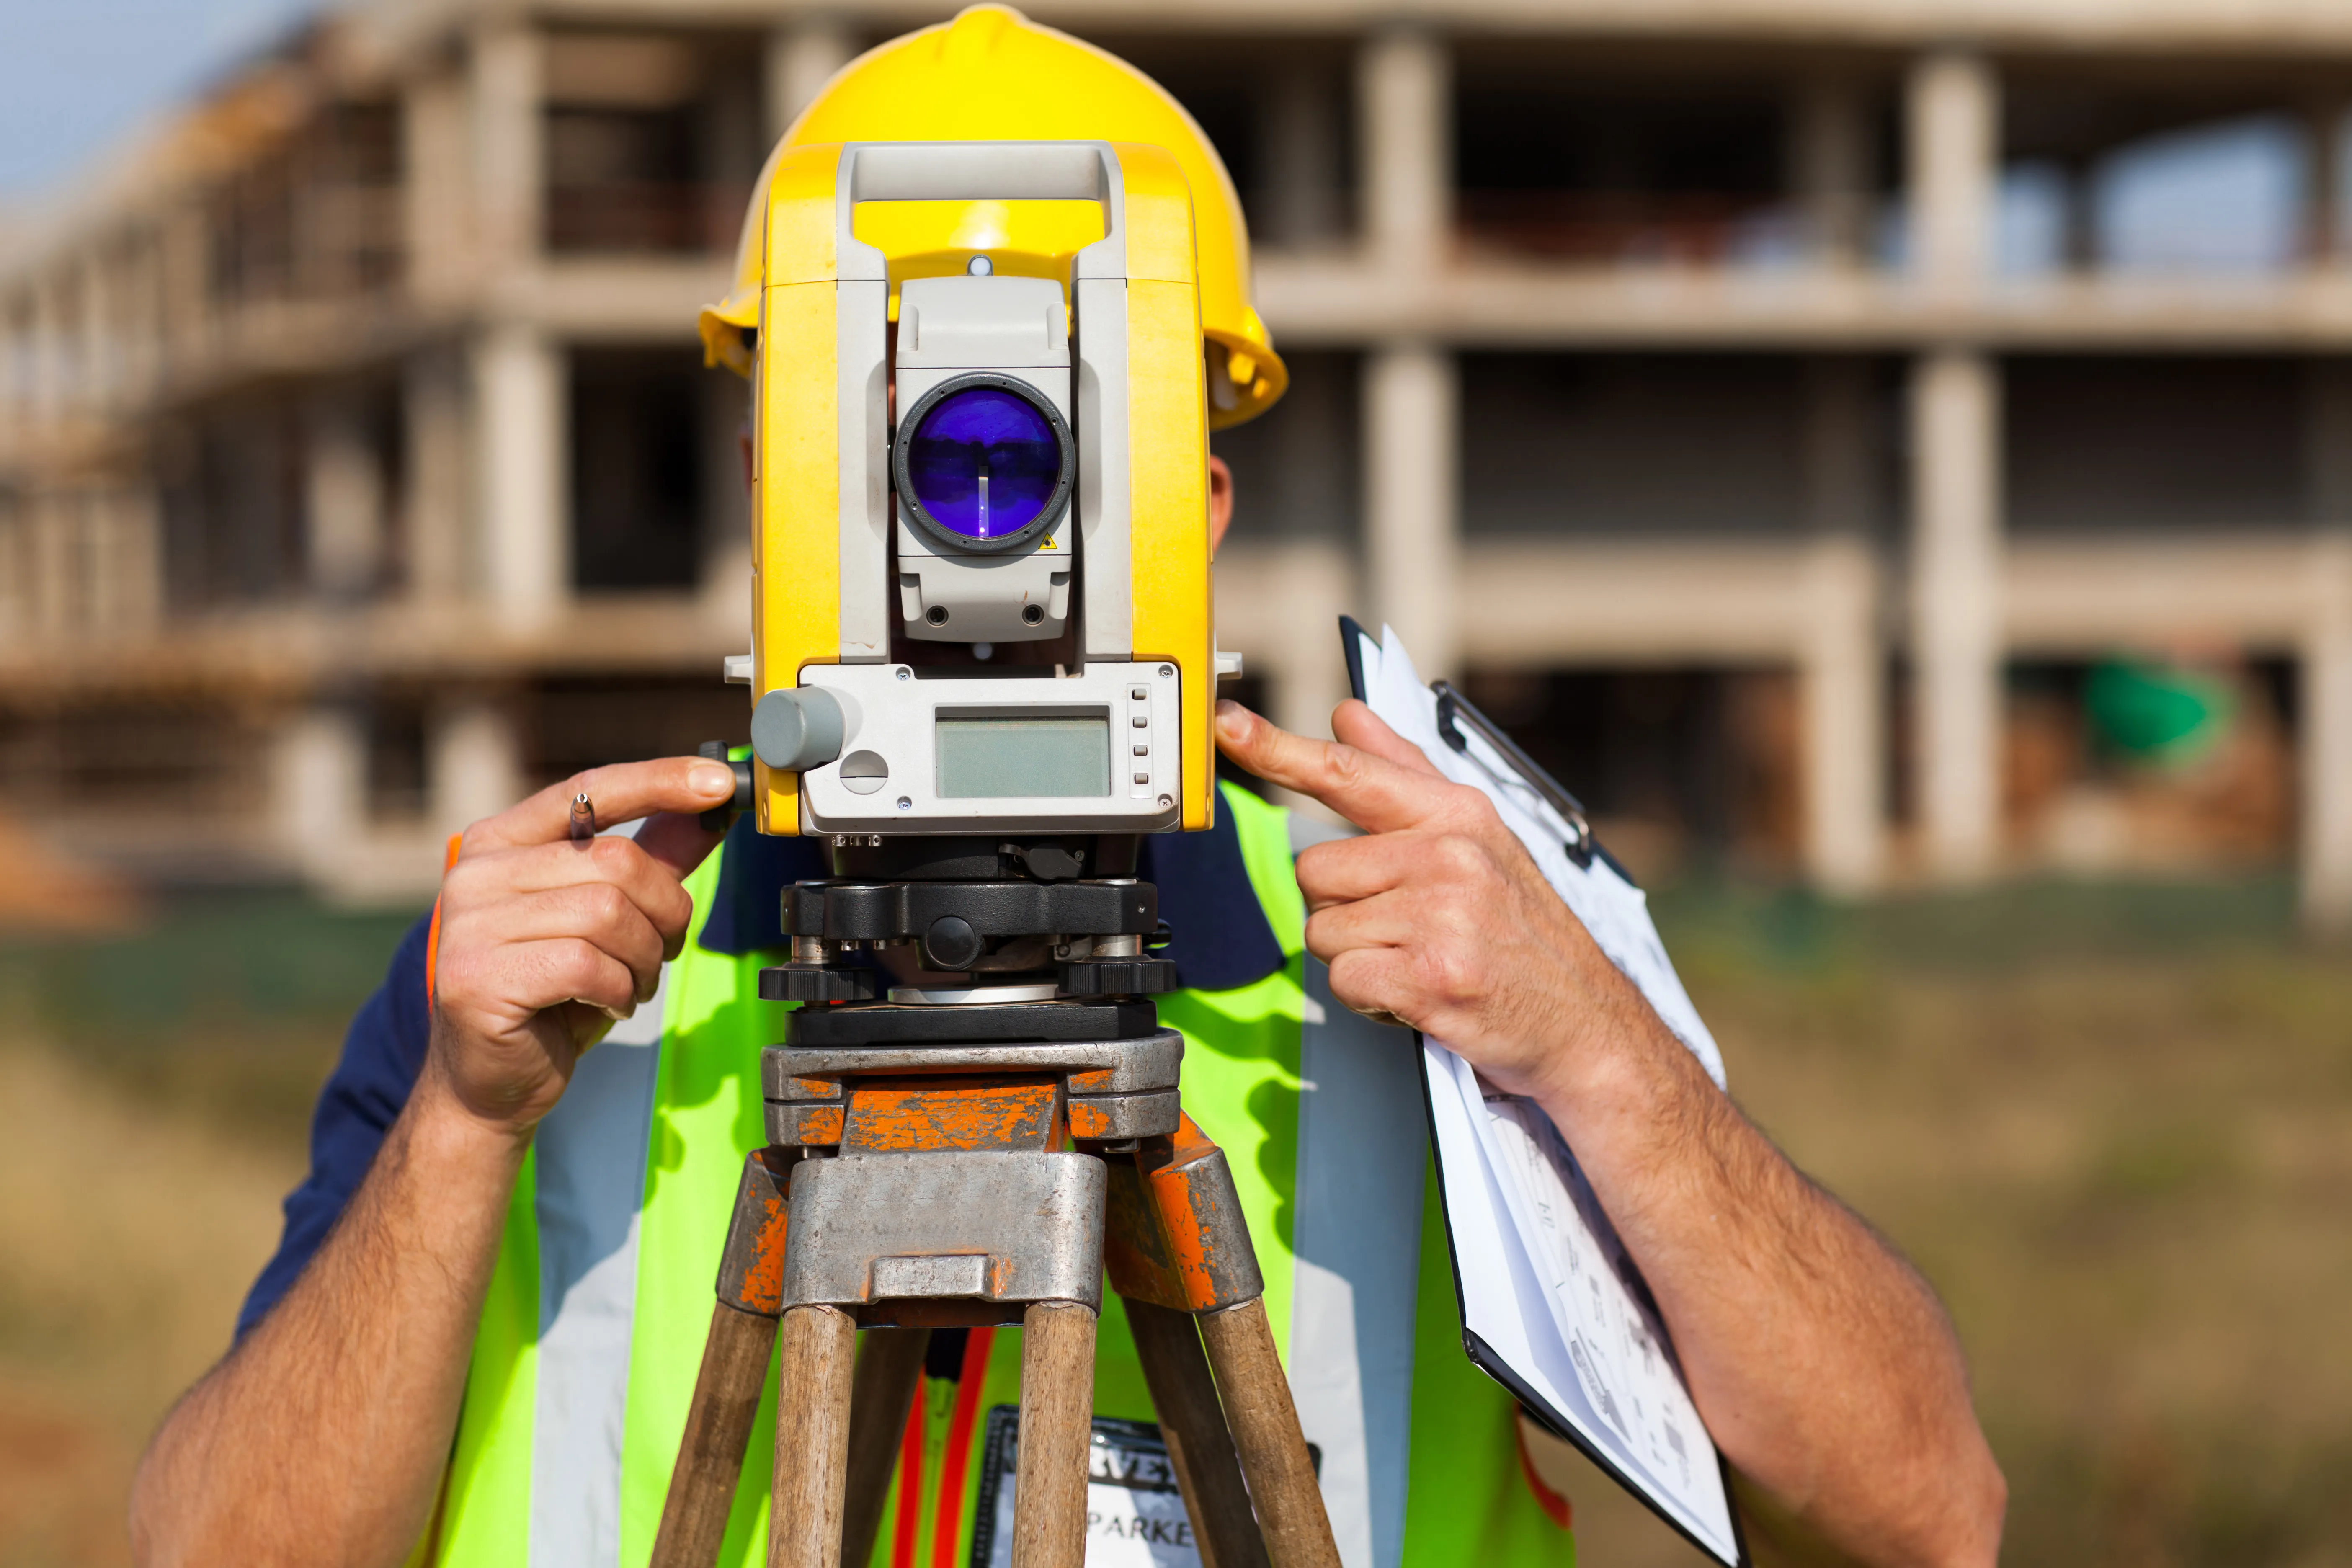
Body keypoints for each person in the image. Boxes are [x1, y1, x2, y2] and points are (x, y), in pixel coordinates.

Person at [129, 9, 2004, 1567]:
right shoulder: (549, 977)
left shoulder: (1430, 954)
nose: (980, 503)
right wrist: (463, 1123)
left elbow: (1929, 1517)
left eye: (1062, 438)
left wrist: (1591, 1054)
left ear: (1201, 503)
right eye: (895, 438)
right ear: (773, 485)